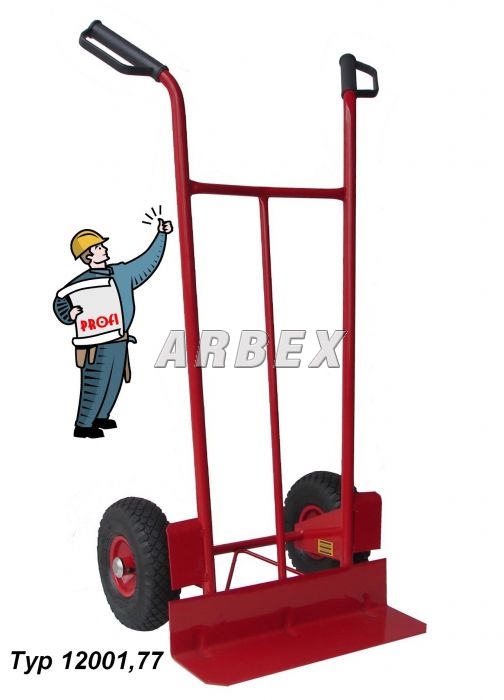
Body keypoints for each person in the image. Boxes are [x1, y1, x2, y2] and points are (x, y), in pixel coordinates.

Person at [53, 218, 173, 438]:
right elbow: (61, 300)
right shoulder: (80, 282)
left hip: (119, 340)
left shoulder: (121, 273)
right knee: (95, 383)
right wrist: (69, 314)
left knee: (114, 381)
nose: (104, 249)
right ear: (88, 255)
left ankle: (101, 416)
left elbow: (147, 263)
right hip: (96, 344)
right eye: (99, 247)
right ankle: (84, 425)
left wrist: (161, 235)